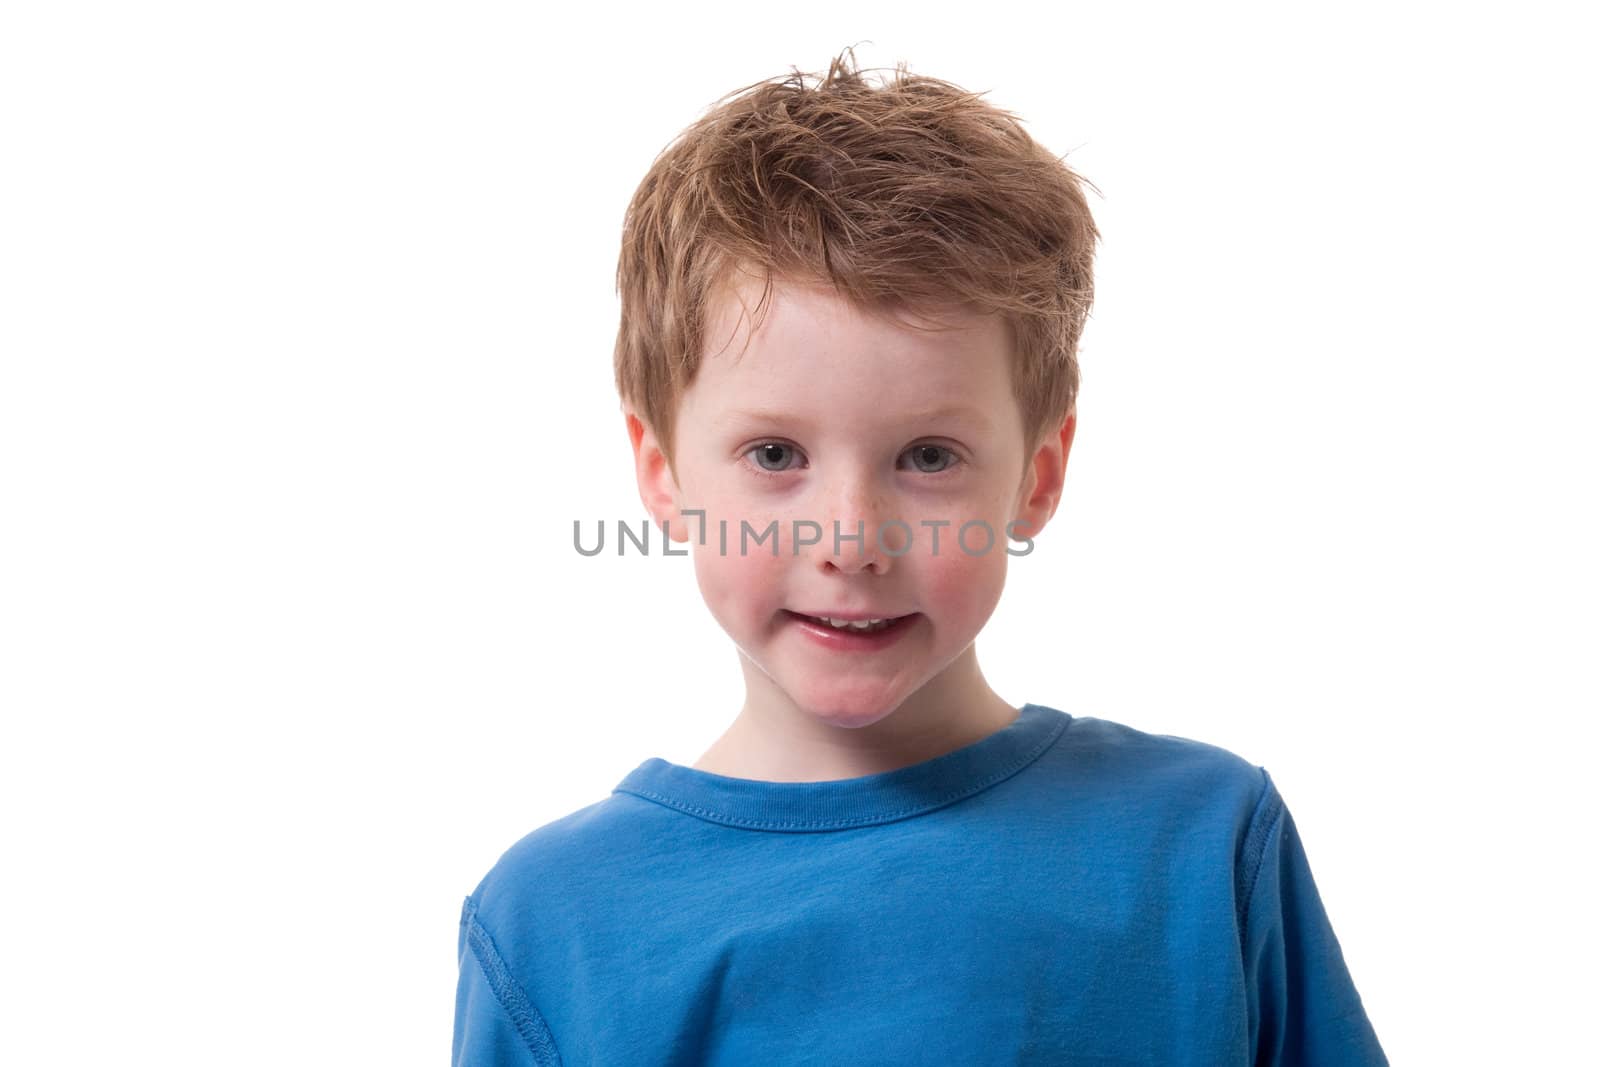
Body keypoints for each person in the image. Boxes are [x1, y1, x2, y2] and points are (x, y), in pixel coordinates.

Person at [452, 47, 1388, 1066]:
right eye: (775, 454)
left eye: (928, 456)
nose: (850, 539)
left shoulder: (1203, 841)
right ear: (662, 471)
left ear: (1036, 473)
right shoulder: (557, 920)